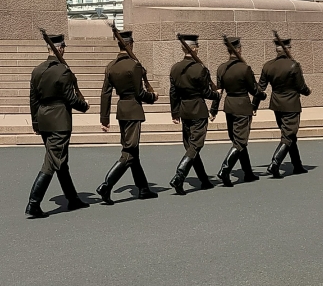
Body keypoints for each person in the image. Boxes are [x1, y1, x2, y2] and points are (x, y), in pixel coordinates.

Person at [26, 32, 90, 218]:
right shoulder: (63, 71)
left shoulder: (37, 70)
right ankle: (33, 203)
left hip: (44, 120)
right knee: (52, 161)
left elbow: (33, 100)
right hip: (59, 122)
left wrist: (36, 122)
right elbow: (70, 98)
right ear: (60, 48)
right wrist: (84, 106)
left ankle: (72, 199)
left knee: (61, 162)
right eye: (64, 47)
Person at [97, 30, 158, 203]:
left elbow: (105, 94)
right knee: (129, 152)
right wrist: (152, 97)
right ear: (130, 44)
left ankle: (143, 188)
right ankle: (106, 185)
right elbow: (140, 93)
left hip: (122, 111)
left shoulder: (111, 66)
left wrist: (105, 119)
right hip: (133, 110)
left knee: (133, 151)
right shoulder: (134, 66)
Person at [168, 33, 218, 195]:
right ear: (194, 48)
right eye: (198, 46)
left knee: (191, 147)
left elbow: (173, 92)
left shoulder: (175, 68)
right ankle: (179, 176)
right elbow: (205, 92)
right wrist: (216, 94)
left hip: (184, 110)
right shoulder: (200, 69)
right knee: (196, 145)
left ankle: (203, 179)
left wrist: (175, 112)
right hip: (198, 110)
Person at [258, 30, 312, 178]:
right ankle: (275, 163)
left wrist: (255, 105)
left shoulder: (267, 65)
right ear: (287, 49)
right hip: (291, 105)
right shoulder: (294, 65)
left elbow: (260, 87)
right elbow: (301, 86)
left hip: (276, 105)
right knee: (288, 135)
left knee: (289, 135)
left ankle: (297, 165)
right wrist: (308, 92)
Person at [214, 36, 262, 186]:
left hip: (229, 106)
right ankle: (225, 170)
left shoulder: (221, 68)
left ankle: (247, 172)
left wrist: (214, 110)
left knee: (238, 140)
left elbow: (218, 92)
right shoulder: (244, 68)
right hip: (242, 105)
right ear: (239, 49)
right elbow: (254, 90)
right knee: (240, 141)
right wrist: (262, 95)